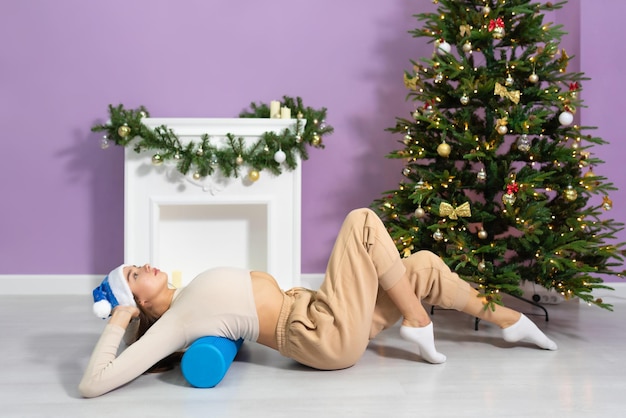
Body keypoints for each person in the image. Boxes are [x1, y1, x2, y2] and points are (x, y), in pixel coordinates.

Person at [79, 208, 557, 398]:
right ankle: (416, 320)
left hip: (322, 312)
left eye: (136, 265)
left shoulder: (185, 300)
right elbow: (92, 385)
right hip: (317, 333)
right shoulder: (171, 325)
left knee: (425, 266)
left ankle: (511, 321)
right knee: (362, 222)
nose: (144, 266)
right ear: (136, 302)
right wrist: (118, 320)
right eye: (134, 275)